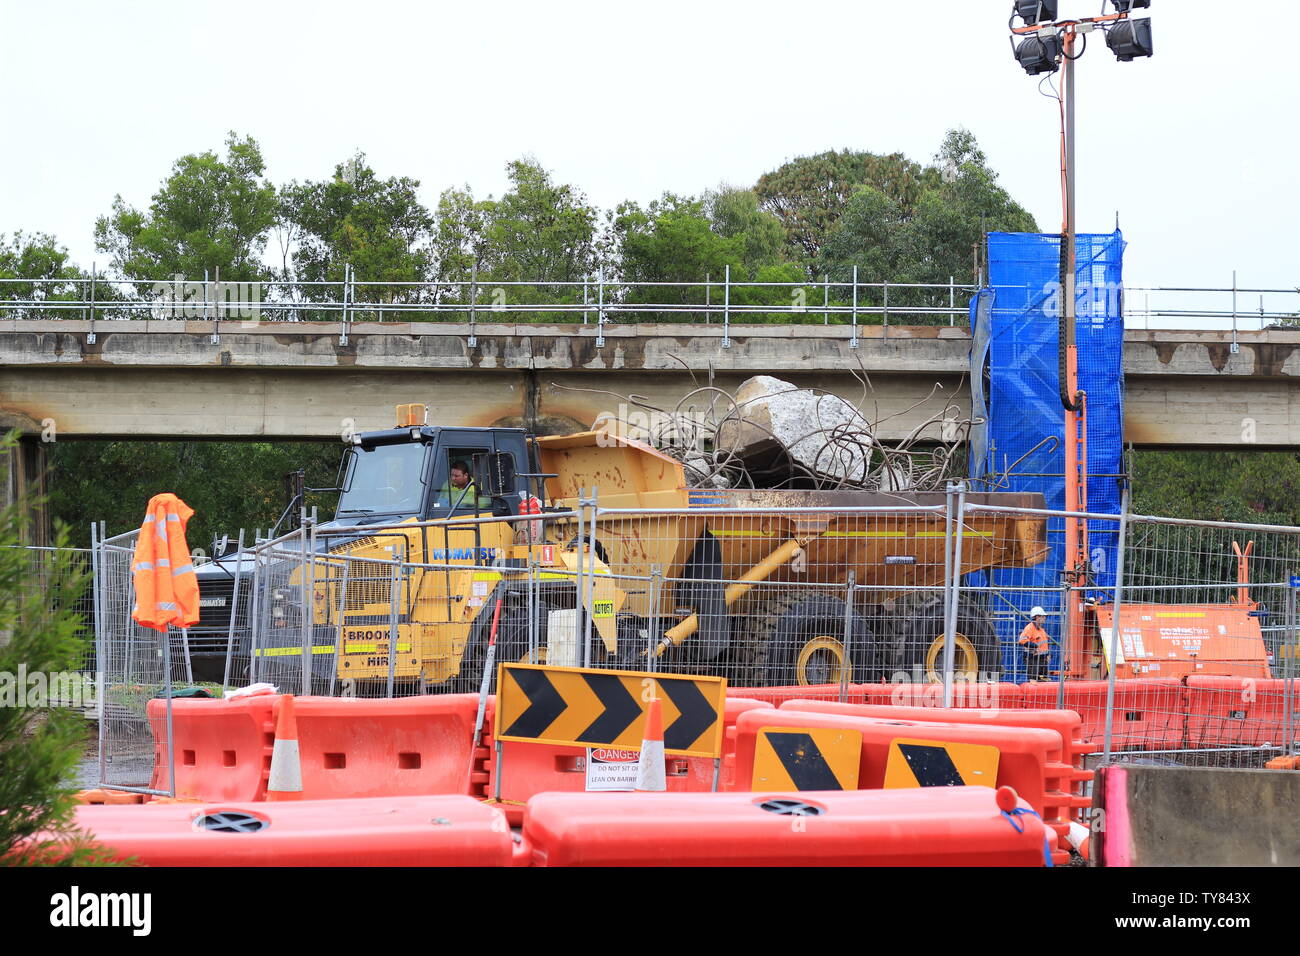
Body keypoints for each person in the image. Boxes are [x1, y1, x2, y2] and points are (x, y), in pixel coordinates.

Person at [1018, 606, 1051, 681]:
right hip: (1033, 660)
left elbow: (1044, 645)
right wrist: (1035, 647)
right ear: (1037, 617)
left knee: (1043, 681)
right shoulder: (1029, 628)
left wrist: (1047, 654)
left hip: (1043, 660)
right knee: (1033, 681)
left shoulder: (1041, 630)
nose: (1045, 618)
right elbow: (1022, 640)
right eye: (1043, 616)